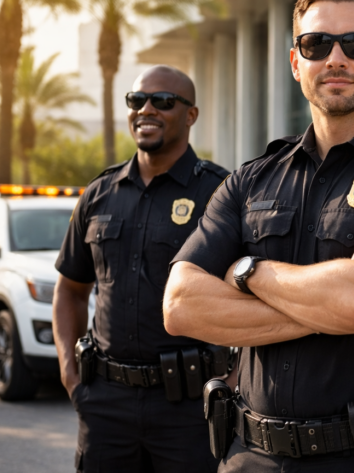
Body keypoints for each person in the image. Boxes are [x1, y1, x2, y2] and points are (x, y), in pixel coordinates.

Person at [162, 0, 354, 470]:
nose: (335, 58)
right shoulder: (251, 179)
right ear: (295, 63)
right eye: (316, 44)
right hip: (249, 456)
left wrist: (248, 271)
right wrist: (337, 299)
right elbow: (181, 306)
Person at [52, 65, 229, 473]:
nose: (146, 109)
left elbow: (249, 291)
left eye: (163, 101)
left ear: (190, 115)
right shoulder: (99, 194)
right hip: (104, 405)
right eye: (136, 100)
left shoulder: (219, 193)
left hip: (187, 410)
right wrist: (70, 375)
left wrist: (232, 384)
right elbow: (70, 291)